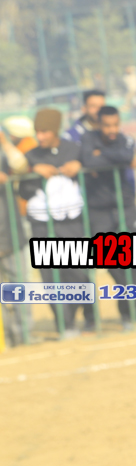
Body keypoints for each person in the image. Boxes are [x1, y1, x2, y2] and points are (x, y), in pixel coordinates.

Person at [81, 105, 136, 331]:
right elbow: (88, 160)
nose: (112, 130)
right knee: (110, 261)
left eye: (115, 125)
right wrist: (112, 159)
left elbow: (126, 155)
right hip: (98, 210)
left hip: (126, 206)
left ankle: (128, 313)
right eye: (107, 126)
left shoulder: (125, 139)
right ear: (98, 124)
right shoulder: (88, 138)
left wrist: (102, 156)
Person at [20, 109, 91, 339]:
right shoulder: (30, 156)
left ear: (56, 130)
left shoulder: (74, 149)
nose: (40, 136)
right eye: (37, 131)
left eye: (45, 131)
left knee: (77, 272)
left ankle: (88, 314)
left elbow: (93, 168)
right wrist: (33, 172)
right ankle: (65, 324)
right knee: (51, 277)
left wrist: (80, 166)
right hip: (42, 223)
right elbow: (23, 190)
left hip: (71, 220)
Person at [0, 128, 30, 346]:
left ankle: (23, 335)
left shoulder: (5, 152)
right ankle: (5, 337)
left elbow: (21, 166)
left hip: (10, 231)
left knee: (19, 285)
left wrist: (5, 143)